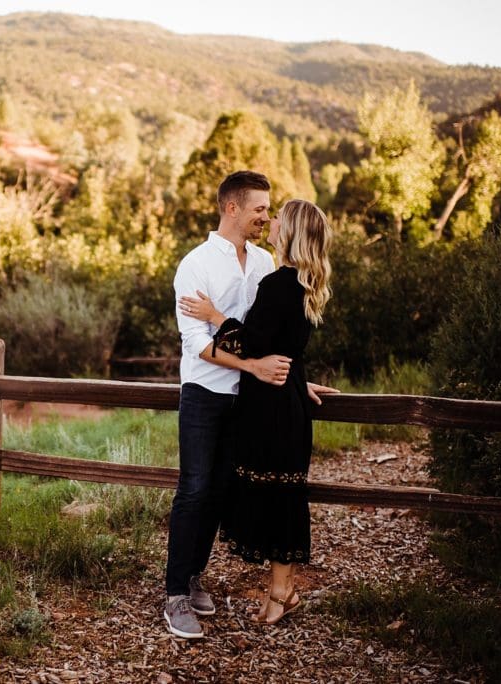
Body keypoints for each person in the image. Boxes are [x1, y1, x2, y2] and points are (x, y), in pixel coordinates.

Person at [179, 198, 334, 626]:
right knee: (282, 495)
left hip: (272, 404)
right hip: (285, 397)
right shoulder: (302, 281)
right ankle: (280, 590)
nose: (272, 220)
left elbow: (252, 345)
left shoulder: (279, 282)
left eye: (279, 216)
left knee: (278, 497)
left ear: (292, 230)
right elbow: (285, 349)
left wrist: (213, 315)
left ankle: (281, 591)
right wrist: (301, 382)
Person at [164, 170, 294, 640]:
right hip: (204, 393)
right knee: (195, 489)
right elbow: (197, 344)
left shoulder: (264, 264)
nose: (266, 216)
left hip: (250, 401)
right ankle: (176, 593)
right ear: (232, 208)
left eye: (268, 208)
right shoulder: (195, 265)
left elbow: (268, 335)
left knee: (221, 491)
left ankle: (195, 575)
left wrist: (294, 380)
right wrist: (256, 367)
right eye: (259, 208)